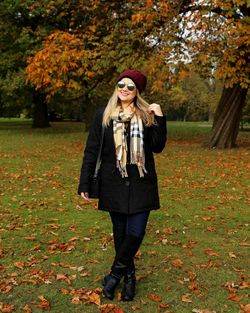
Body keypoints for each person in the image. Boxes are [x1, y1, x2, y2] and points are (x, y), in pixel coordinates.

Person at [78, 69, 167, 301]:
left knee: (135, 233)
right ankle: (129, 278)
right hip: (113, 183)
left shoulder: (146, 116)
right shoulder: (103, 115)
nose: (124, 89)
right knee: (120, 235)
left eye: (130, 86)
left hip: (141, 183)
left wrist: (159, 117)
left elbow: (158, 146)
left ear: (137, 91)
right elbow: (91, 150)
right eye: (121, 84)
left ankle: (113, 276)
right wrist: (84, 181)